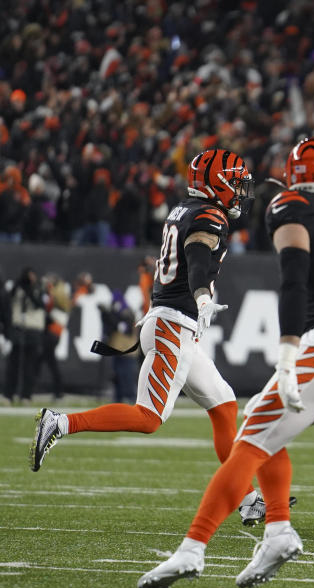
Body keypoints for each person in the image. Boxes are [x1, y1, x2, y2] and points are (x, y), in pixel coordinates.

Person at [138, 137, 314, 588]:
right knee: (268, 435)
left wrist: (289, 353)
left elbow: (294, 281)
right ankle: (277, 531)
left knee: (248, 439)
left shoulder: (292, 206)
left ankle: (192, 550)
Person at [30, 148, 271, 525]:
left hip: (176, 327)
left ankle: (249, 499)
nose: (241, 192)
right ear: (218, 183)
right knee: (148, 417)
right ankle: (60, 422)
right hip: (173, 326)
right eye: (236, 184)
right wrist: (204, 295)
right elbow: (197, 259)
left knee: (224, 405)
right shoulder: (210, 215)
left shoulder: (184, 209)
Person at [5, 267, 45, 402]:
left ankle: (26, 395)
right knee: (14, 364)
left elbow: (39, 304)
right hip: (18, 329)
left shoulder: (38, 288)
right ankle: (9, 394)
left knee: (29, 365)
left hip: (33, 329)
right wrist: (19, 286)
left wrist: (29, 290)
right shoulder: (17, 288)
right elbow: (8, 301)